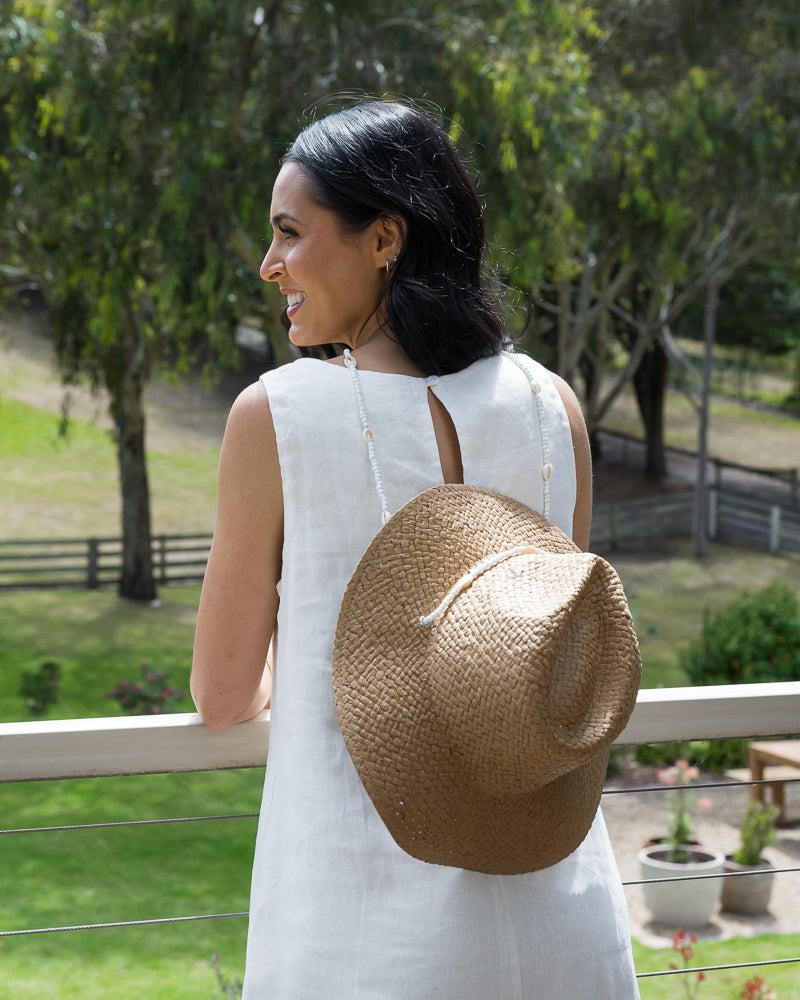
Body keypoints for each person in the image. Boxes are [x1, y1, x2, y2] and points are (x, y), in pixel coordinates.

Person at [191, 100, 640, 999]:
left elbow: (224, 693)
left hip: (361, 919)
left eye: (289, 232)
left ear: (384, 238)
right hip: (559, 905)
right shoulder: (555, 408)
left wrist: (321, 658)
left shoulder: (275, 416)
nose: (268, 263)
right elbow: (564, 659)